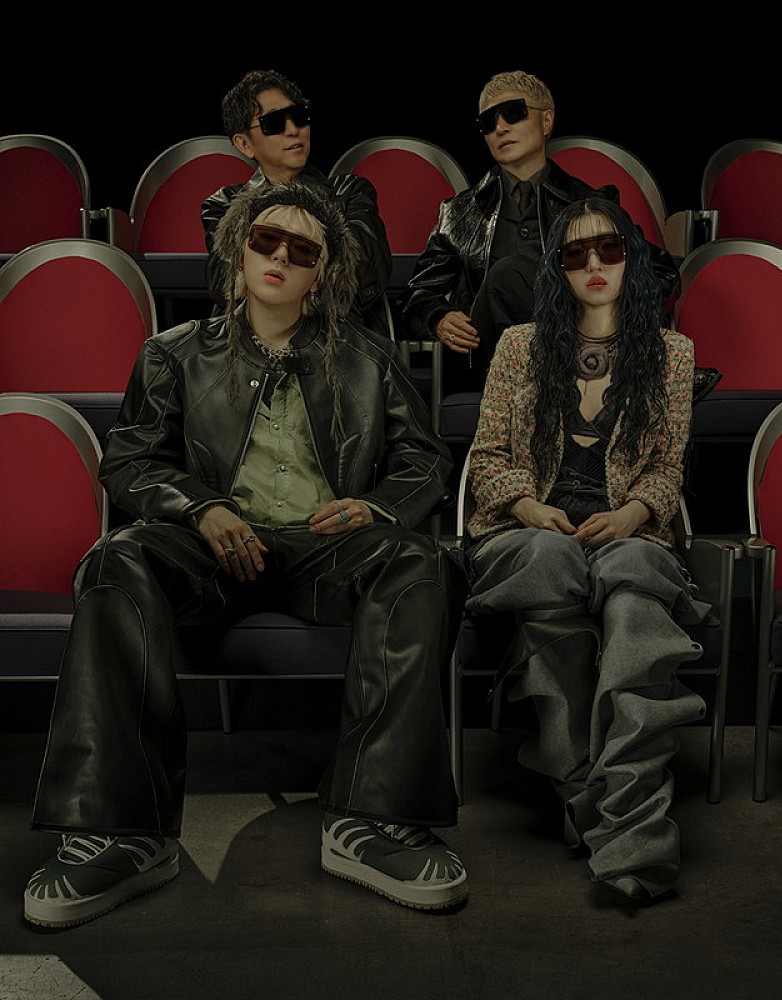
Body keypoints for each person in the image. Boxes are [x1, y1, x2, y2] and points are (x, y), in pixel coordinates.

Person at [23, 182, 469, 929]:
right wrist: (201, 507)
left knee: (422, 562)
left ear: (321, 274)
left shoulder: (370, 357)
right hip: (212, 546)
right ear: (238, 250)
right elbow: (130, 461)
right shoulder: (172, 354)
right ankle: (122, 830)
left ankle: (373, 820)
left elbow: (423, 458)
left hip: (327, 548)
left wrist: (376, 507)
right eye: (266, 240)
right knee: (115, 559)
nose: (279, 256)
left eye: (302, 250)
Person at [463, 196, 709, 906]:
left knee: (634, 601)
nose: (594, 263)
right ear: (558, 268)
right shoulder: (520, 346)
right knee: (550, 565)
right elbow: (487, 457)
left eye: (609, 249)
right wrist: (527, 507)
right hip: (528, 531)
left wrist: (634, 512)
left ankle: (625, 835)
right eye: (576, 253)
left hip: (626, 530)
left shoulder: (671, 353)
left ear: (631, 258)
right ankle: (604, 811)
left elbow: (665, 468)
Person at [401, 70, 679, 389]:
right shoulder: (458, 214)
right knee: (508, 276)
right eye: (488, 122)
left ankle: (569, 376)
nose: (500, 128)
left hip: (578, 341)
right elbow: (417, 295)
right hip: (487, 365)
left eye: (513, 113)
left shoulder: (590, 204)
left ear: (546, 121)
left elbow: (662, 274)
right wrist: (438, 318)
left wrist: (602, 311)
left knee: (539, 275)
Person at [201, 68, 393, 336]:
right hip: (252, 346)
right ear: (245, 144)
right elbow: (228, 285)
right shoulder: (224, 205)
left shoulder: (350, 193)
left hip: (336, 341)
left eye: (299, 117)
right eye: (275, 123)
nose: (294, 131)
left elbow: (362, 278)